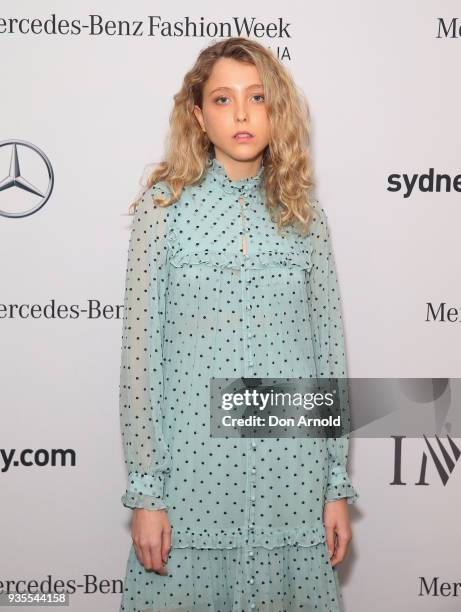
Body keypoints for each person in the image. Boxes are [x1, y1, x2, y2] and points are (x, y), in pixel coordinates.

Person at [118, 36, 359, 612]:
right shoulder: (164, 207)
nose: (244, 113)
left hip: (290, 477)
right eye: (223, 100)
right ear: (198, 116)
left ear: (278, 110)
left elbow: (328, 351)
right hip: (192, 479)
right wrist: (147, 492)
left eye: (258, 97)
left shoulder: (305, 212)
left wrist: (333, 485)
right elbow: (140, 359)